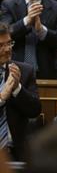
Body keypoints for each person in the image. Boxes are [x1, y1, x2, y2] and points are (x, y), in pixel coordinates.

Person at [0, 22, 41, 161]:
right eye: (0, 45)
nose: (7, 49)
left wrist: (17, 88)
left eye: (9, 43)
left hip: (15, 151)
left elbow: (35, 110)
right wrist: (1, 98)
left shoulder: (24, 71)